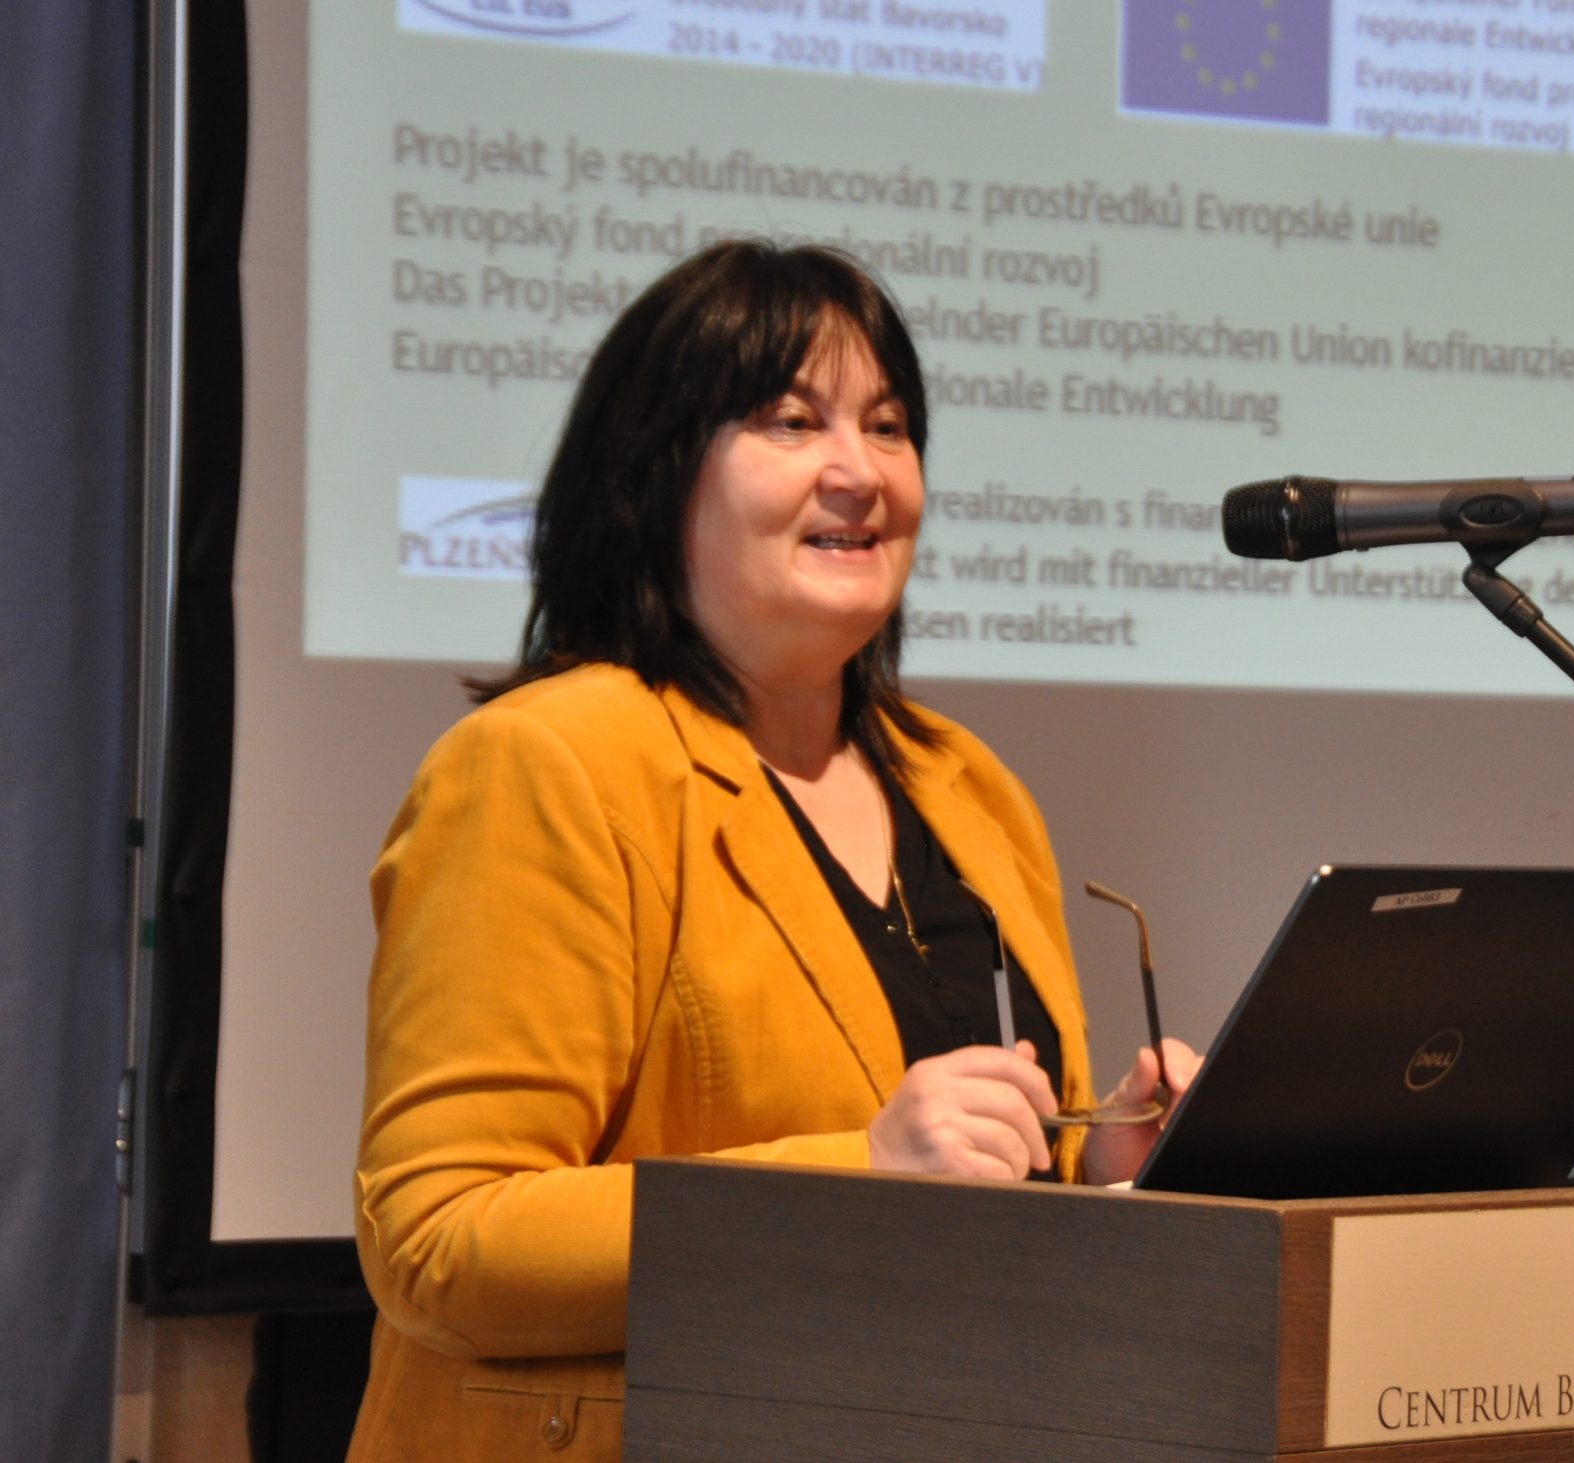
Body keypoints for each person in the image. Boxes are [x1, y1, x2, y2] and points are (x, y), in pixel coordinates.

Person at [345, 239, 1197, 1462]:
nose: (861, 470)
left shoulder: (968, 784)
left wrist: (1102, 1160)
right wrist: (862, 1172)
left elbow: (970, 1197)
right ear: (654, 477)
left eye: (889, 426)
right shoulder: (547, 764)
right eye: (793, 422)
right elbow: (439, 1239)